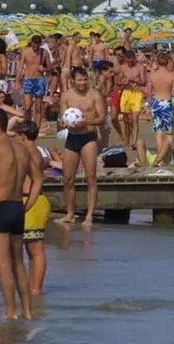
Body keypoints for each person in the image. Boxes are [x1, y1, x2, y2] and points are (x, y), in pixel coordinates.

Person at [0, 108, 42, 319]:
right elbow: (38, 180)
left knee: (3, 263)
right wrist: (27, 206)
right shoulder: (22, 149)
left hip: (1, 207)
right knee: (18, 262)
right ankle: (29, 312)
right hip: (17, 208)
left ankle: (10, 312)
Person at [58, 67, 105, 227]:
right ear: (73, 80)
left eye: (85, 79)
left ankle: (90, 215)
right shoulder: (66, 95)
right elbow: (62, 117)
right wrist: (64, 123)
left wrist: (87, 123)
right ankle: (70, 213)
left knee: (90, 177)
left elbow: (101, 118)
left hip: (88, 138)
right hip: (72, 138)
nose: (83, 83)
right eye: (79, 80)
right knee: (68, 178)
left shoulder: (94, 95)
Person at [13, 120, 51, 296]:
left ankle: (36, 289)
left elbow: (36, 179)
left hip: (31, 201)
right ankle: (34, 288)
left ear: (23, 136)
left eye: (16, 136)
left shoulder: (29, 152)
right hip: (31, 201)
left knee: (35, 248)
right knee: (30, 249)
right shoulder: (35, 152)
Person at [149, 53, 174, 166]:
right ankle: (166, 158)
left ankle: (160, 158)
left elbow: (148, 92)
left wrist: (148, 107)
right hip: (167, 102)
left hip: (156, 102)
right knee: (169, 133)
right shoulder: (172, 75)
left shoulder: (152, 75)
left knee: (159, 132)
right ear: (167, 62)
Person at [17, 35, 50, 128]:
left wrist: (44, 68)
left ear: (40, 44)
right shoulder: (25, 52)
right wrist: (17, 81)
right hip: (28, 80)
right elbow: (20, 67)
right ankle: (27, 127)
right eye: (34, 45)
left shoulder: (44, 52)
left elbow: (50, 67)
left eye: (37, 45)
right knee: (27, 106)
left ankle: (36, 129)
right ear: (31, 43)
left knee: (38, 108)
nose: (36, 47)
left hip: (39, 80)